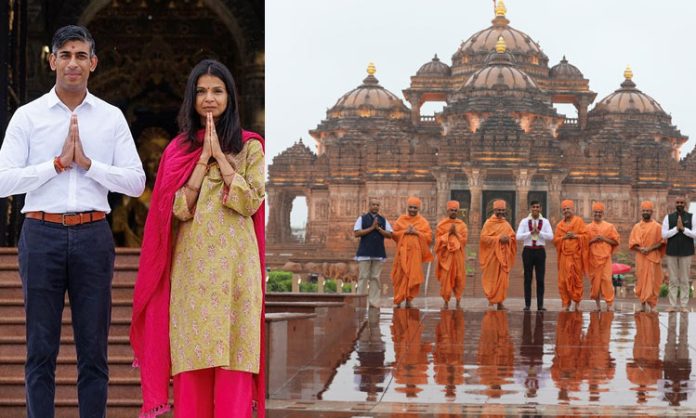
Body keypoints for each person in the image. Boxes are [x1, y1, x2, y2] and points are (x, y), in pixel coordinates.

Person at [0, 25, 145, 418]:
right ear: (52, 61)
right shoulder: (27, 117)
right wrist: (56, 165)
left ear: (93, 63)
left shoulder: (110, 119)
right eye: (65, 55)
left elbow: (136, 182)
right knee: (40, 350)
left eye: (81, 55)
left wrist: (88, 165)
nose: (73, 63)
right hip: (41, 233)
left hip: (93, 233)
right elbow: (3, 180)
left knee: (94, 352)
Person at [130, 59, 265, 417]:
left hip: (237, 272)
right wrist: (201, 161)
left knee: (235, 359)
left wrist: (221, 157)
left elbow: (251, 201)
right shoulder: (177, 151)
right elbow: (173, 212)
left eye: (217, 91)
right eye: (201, 91)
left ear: (230, 97)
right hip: (192, 272)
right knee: (192, 363)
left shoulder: (251, 147)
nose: (209, 98)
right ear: (191, 99)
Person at [391, 196, 433, 308]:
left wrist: (416, 232)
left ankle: (409, 299)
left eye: (415, 208)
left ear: (418, 209)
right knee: (400, 276)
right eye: (411, 207)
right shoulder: (401, 220)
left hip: (415, 255)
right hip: (402, 254)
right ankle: (399, 299)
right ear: (407, 207)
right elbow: (394, 234)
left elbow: (429, 238)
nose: (413, 210)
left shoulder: (422, 222)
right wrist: (405, 231)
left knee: (413, 276)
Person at [354, 199, 393, 308]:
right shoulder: (362, 219)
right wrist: (372, 228)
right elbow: (356, 233)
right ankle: (360, 302)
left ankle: (374, 302)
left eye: (377, 205)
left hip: (378, 252)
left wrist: (378, 229)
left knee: (375, 278)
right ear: (369, 206)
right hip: (364, 252)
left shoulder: (383, 220)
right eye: (373, 205)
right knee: (363, 277)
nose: (375, 207)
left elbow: (390, 235)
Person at [515, 200, 553, 311]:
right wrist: (530, 232)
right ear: (530, 208)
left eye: (537, 207)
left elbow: (551, 236)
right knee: (528, 278)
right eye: (533, 207)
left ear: (540, 208)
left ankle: (540, 305)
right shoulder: (524, 221)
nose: (535, 209)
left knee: (540, 279)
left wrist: (539, 232)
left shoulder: (545, 222)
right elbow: (518, 236)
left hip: (540, 251)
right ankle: (527, 305)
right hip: (528, 251)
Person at [479, 199, 516, 311]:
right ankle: (491, 302)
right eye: (498, 210)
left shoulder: (506, 224)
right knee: (491, 279)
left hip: (503, 257)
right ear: (494, 210)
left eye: (502, 210)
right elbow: (483, 238)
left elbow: (513, 237)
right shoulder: (488, 223)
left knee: (502, 281)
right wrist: (498, 239)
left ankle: (500, 303)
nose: (500, 212)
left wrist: (508, 239)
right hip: (492, 257)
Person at [661, 196, 696, 312]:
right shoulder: (668, 217)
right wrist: (676, 229)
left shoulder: (692, 217)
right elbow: (664, 235)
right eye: (678, 202)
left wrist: (684, 229)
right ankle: (672, 305)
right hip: (672, 252)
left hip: (686, 252)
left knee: (685, 280)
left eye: (682, 202)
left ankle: (684, 305)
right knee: (673, 280)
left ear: (685, 204)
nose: (679, 204)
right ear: (674, 204)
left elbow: (695, 234)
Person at [629, 201, 665, 312]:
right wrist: (640, 249)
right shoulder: (636, 227)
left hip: (653, 256)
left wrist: (650, 249)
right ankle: (642, 305)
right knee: (641, 281)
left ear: (652, 212)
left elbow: (662, 242)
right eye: (644, 210)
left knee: (653, 281)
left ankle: (653, 305)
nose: (646, 212)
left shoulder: (657, 226)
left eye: (648, 211)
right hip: (641, 257)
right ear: (641, 212)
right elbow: (632, 244)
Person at [585, 202, 620, 312]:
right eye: (596, 212)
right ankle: (597, 305)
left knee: (606, 281)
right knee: (595, 283)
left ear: (603, 213)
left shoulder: (609, 227)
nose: (598, 214)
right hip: (593, 259)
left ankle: (609, 304)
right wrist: (593, 240)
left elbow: (615, 241)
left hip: (605, 258)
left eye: (600, 212)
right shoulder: (587, 228)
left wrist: (604, 239)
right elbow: (583, 243)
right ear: (593, 213)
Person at [553, 199, 587, 312]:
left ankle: (576, 302)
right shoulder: (559, 225)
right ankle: (566, 303)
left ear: (573, 209)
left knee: (576, 280)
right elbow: (555, 241)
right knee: (563, 281)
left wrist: (575, 236)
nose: (566, 211)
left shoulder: (579, 221)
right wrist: (564, 237)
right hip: (564, 257)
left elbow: (586, 236)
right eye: (564, 209)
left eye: (568, 209)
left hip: (576, 256)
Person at [434, 200, 468, 309]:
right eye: (451, 210)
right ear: (447, 211)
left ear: (457, 211)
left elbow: (464, 241)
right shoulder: (441, 225)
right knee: (445, 280)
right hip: (446, 257)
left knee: (459, 279)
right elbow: (438, 241)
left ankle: (458, 301)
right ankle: (446, 301)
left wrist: (456, 233)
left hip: (458, 256)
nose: (453, 212)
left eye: (455, 210)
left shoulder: (462, 225)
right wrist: (449, 233)